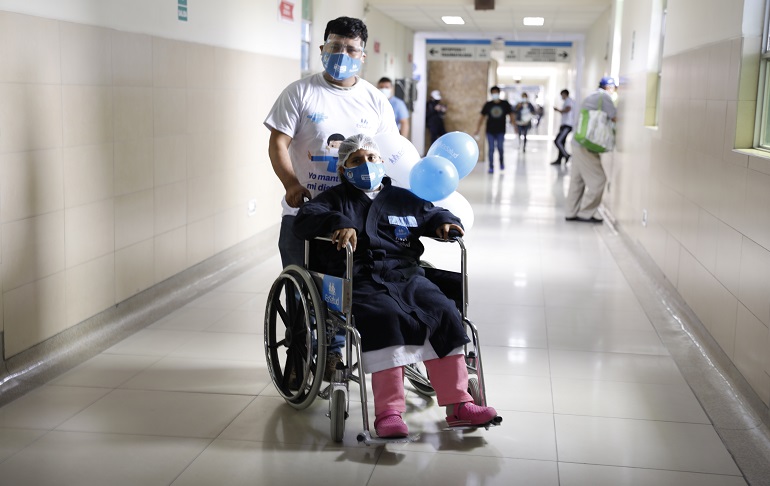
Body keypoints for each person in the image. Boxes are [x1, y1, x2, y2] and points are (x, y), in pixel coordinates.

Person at [294, 134, 500, 438]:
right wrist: (338, 222)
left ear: (382, 162)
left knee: (443, 310)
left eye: (372, 158)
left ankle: (459, 405)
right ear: (343, 169)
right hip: (358, 277)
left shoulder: (403, 198)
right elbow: (306, 219)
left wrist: (445, 222)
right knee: (385, 317)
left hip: (407, 275)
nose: (366, 165)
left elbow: (434, 213)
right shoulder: (333, 200)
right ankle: (389, 412)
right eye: (356, 161)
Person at [264, 16, 398, 379]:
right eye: (335, 47)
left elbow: (389, 154)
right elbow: (279, 143)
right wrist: (291, 183)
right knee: (299, 292)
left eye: (350, 49)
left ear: (363, 55)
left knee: (345, 291)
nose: (342, 54)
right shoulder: (300, 92)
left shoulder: (374, 101)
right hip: (304, 213)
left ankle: (334, 356)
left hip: (356, 216)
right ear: (322, 48)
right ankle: (298, 358)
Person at [565, 77, 618, 223]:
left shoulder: (591, 96)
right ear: (609, 87)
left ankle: (571, 211)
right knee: (599, 180)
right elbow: (614, 117)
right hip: (586, 145)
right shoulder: (604, 97)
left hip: (578, 141)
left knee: (577, 180)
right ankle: (585, 212)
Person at [474, 86, 514, 173]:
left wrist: (514, 126)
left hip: (501, 130)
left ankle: (501, 162)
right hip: (490, 131)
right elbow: (482, 117)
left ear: (499, 93)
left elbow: (511, 115)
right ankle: (491, 166)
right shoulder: (488, 105)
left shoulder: (504, 104)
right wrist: (478, 129)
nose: (495, 94)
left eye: (496, 92)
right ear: (491, 94)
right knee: (491, 149)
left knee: (500, 147)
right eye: (493, 93)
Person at [551, 89, 575, 165]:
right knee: (562, 142)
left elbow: (568, 109)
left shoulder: (568, 101)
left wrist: (559, 110)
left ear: (565, 94)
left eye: (562, 95)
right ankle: (559, 159)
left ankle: (566, 155)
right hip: (564, 125)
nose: (561, 97)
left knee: (557, 141)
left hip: (567, 125)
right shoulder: (567, 101)